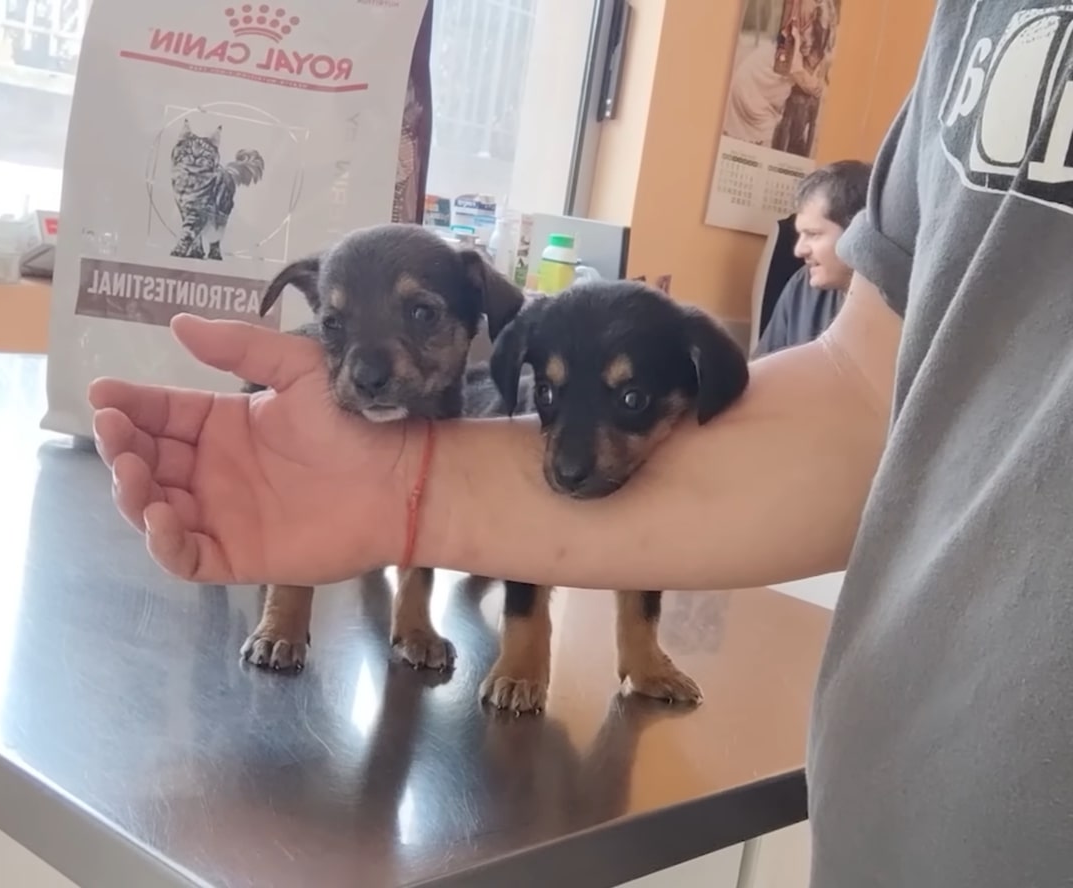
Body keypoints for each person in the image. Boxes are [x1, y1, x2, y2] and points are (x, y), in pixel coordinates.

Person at [88, 3, 1073, 883]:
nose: (565, 452)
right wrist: (405, 495)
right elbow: (873, 399)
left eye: (423, 322)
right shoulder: (977, 20)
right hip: (895, 812)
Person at [753, 159, 871, 357]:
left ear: (857, 232)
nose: (799, 251)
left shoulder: (899, 302)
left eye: (814, 234)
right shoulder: (802, 284)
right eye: (800, 234)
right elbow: (761, 370)